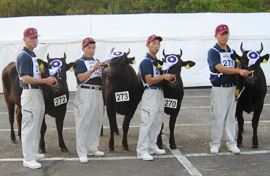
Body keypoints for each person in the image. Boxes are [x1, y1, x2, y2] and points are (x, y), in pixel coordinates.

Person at [17, 27, 57, 169]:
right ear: (24, 39)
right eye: (31, 38)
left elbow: (32, 74)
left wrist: (41, 74)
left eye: (36, 38)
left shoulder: (32, 55)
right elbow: (25, 78)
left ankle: (33, 152)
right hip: (30, 93)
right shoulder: (24, 56)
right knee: (29, 125)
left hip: (36, 92)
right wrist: (44, 81)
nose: (34, 40)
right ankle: (27, 158)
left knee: (37, 123)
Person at [207, 24, 251, 154]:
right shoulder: (213, 52)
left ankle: (231, 143)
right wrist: (239, 70)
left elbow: (239, 64)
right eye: (221, 34)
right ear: (216, 36)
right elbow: (220, 68)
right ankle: (215, 143)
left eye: (226, 34)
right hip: (219, 87)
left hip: (232, 88)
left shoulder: (231, 51)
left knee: (231, 117)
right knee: (218, 116)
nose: (224, 36)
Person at [137, 35, 176, 161]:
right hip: (150, 92)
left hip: (160, 93)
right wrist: (163, 77)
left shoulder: (159, 62)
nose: (156, 45)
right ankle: (141, 150)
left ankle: (152, 145)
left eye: (158, 43)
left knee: (158, 121)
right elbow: (149, 79)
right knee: (147, 122)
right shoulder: (145, 62)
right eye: (153, 43)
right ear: (148, 45)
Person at [73, 37, 104, 164]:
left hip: (98, 92)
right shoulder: (79, 62)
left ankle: (92, 147)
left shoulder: (98, 61)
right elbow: (80, 77)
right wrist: (93, 69)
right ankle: (82, 151)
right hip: (85, 91)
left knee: (96, 121)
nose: (91, 51)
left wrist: (104, 68)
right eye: (89, 48)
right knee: (83, 122)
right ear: (83, 48)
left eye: (93, 48)